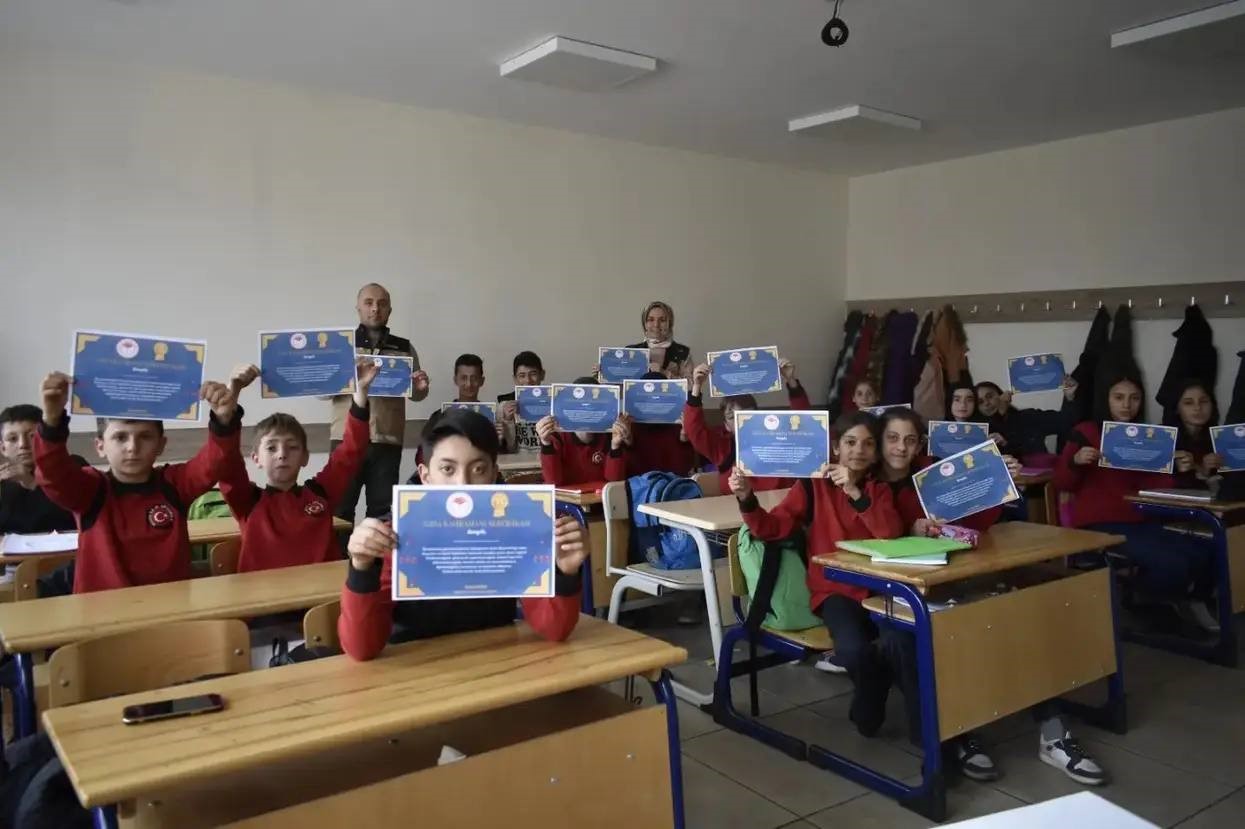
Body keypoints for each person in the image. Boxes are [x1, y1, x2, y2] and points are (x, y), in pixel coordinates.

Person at [876, 408, 1105, 785]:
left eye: (910, 439)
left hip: (953, 577)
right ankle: (960, 735)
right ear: (880, 440)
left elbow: (975, 524)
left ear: (920, 442)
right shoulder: (869, 482)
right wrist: (908, 529)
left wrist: (999, 487)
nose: (901, 447)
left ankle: (1053, 733)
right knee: (941, 640)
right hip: (903, 592)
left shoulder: (933, 472)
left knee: (1018, 620)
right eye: (892, 438)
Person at [337, 410, 588, 660]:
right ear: (425, 476)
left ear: (493, 474)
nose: (463, 484)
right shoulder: (395, 537)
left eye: (478, 469)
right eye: (448, 469)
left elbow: (555, 630)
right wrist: (361, 567)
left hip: (498, 667)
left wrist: (564, 573)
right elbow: (362, 648)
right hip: (417, 676)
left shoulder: (515, 531)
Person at [730, 412, 905, 742]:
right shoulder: (814, 485)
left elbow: (889, 533)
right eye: (850, 443)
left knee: (905, 642)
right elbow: (771, 527)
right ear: (836, 447)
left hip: (881, 589)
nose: (859, 451)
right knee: (853, 652)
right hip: (834, 591)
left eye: (868, 443)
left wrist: (855, 491)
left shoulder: (877, 488)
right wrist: (746, 498)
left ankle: (917, 719)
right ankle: (874, 694)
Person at [33, 372, 241, 593]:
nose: (132, 447)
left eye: (145, 436)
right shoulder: (90, 490)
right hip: (103, 619)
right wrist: (51, 421)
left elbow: (216, 463)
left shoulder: (175, 484)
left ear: (161, 445)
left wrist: (223, 421)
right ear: (100, 446)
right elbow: (52, 474)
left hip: (171, 613)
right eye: (120, 437)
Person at [1054, 361, 1218, 633]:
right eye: (1119, 398)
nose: (1126, 405)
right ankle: (1143, 599)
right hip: (1102, 523)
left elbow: (1155, 485)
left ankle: (1174, 601)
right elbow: (1062, 482)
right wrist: (1076, 461)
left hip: (1143, 518)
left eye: (1134, 398)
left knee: (1207, 549)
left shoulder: (1148, 435)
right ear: (1106, 398)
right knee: (1173, 562)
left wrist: (1177, 468)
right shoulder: (1086, 431)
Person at [218, 360, 377, 572]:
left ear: (305, 457)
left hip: (321, 600)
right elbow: (226, 463)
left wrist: (360, 393)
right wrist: (233, 393)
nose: (282, 454)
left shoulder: (320, 493)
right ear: (256, 458)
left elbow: (351, 451)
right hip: (265, 602)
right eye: (272, 448)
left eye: (292, 447)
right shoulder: (247, 501)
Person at [333, 283, 430, 523]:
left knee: (382, 515)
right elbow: (321, 392)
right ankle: (336, 562)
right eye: (368, 303)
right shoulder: (340, 345)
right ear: (358, 308)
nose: (375, 308)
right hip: (345, 441)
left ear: (389, 310)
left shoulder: (404, 348)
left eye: (382, 303)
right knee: (339, 512)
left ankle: (377, 562)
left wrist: (420, 388)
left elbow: (415, 395)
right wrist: (343, 374)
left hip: (387, 442)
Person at [685, 359, 811, 494]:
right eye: (732, 417)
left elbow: (803, 423)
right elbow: (694, 430)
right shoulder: (723, 448)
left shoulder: (778, 441)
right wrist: (697, 387)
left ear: (759, 417)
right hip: (734, 509)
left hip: (779, 506)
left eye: (746, 414)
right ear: (726, 426)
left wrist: (791, 381)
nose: (741, 421)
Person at [0, 404, 78, 536]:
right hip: (12, 556)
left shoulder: (73, 465)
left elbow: (72, 518)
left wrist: (31, 482)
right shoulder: (3, 481)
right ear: (3, 449)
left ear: (46, 439)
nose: (23, 445)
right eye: (13, 439)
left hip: (66, 554)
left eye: (32, 436)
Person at [537, 378, 631, 487]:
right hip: (567, 500)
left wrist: (615, 446)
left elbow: (614, 482)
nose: (587, 410)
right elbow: (552, 482)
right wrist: (546, 443)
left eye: (594, 404)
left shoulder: (609, 433)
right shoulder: (557, 435)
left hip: (599, 500)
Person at [976, 379, 1078, 464]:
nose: (987, 403)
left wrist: (1069, 397)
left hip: (1038, 482)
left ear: (1001, 395)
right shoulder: (979, 433)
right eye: (980, 402)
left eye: (989, 396)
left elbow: (1065, 421)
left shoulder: (1027, 417)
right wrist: (1000, 414)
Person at [626, 372, 697, 477]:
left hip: (672, 486)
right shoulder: (630, 426)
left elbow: (683, 469)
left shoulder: (678, 424)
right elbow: (620, 475)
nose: (653, 399)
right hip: (639, 488)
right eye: (647, 396)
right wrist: (628, 443)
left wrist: (683, 440)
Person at [1165, 379, 1223, 488]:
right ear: (1177, 408)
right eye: (1188, 403)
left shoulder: (1221, 439)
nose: (1197, 408)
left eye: (1203, 401)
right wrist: (1171, 464)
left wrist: (1204, 471)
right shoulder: (1163, 437)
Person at [628, 301, 692, 380]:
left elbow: (691, 387)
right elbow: (620, 384)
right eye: (651, 320)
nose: (656, 325)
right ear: (644, 324)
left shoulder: (682, 353)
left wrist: (664, 373)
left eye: (662, 320)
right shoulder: (630, 352)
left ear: (670, 324)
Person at [497, 351, 545, 454]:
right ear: (515, 379)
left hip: (546, 462)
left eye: (533, 374)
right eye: (522, 375)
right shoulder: (504, 406)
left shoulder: (554, 403)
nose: (528, 380)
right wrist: (508, 420)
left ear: (542, 375)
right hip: (517, 466)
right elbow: (509, 448)